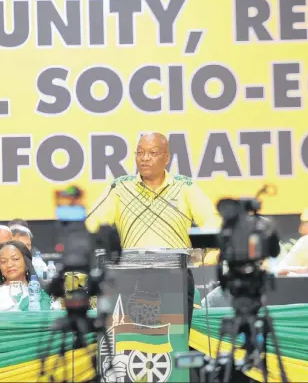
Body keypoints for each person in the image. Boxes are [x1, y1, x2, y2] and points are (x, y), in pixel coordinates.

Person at [86, 132, 221, 329]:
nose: (145, 158)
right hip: (129, 278)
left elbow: (212, 219)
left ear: (166, 158)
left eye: (152, 152)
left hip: (176, 277)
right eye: (140, 152)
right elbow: (92, 223)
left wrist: (208, 254)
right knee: (131, 345)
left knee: (174, 342)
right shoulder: (119, 187)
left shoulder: (185, 187)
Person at [0, 241, 51, 312]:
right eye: (3, 261)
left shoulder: (41, 292)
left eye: (15, 259)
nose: (9, 265)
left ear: (27, 263)